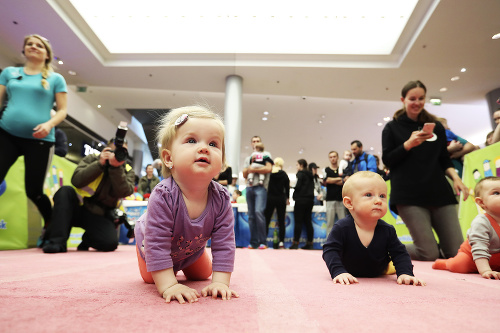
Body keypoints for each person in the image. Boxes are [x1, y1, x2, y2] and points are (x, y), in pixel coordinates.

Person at [134, 106, 238, 304]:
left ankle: (182, 265)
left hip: (191, 249)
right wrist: (169, 285)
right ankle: (165, 270)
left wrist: (221, 282)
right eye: (191, 140)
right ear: (168, 158)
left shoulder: (222, 198)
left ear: (222, 162)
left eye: (213, 143)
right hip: (151, 246)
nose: (204, 148)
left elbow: (224, 243)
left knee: (204, 275)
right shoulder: (163, 195)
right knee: (151, 279)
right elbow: (156, 243)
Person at [382, 80, 469, 261]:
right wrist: (408, 144)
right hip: (408, 196)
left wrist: (456, 178)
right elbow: (388, 160)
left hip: (439, 192)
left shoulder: (436, 126)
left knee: (457, 253)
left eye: (421, 98)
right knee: (429, 253)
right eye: (412, 98)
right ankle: (383, 248)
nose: (417, 102)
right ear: (403, 100)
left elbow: (444, 159)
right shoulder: (392, 127)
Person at [0, 34, 67, 234]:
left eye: (39, 45)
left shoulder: (55, 79)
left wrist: (48, 124)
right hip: (7, 134)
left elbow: (62, 111)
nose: (34, 47)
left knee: (34, 190)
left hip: (40, 140)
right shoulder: (9, 73)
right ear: (24, 49)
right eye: (29, 44)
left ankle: (51, 226)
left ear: (47, 54)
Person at [322, 171, 426, 286]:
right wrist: (338, 272)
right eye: (368, 195)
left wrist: (405, 273)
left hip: (380, 269)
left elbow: (400, 253)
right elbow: (330, 251)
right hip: (349, 270)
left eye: (382, 196)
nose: (378, 201)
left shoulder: (388, 230)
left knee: (393, 266)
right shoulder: (341, 228)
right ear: (349, 203)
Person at [42, 137, 135, 253]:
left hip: (100, 214)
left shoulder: (127, 170)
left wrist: (115, 168)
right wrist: (100, 164)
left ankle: (87, 239)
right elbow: (76, 180)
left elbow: (125, 191)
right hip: (78, 207)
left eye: (122, 151)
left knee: (109, 243)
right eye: (114, 150)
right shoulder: (93, 159)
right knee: (65, 191)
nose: (117, 154)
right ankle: (57, 242)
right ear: (106, 150)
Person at [432, 177, 500, 279]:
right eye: (496, 193)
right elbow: (479, 248)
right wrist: (485, 271)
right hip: (471, 255)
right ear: (481, 202)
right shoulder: (481, 222)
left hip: (495, 256)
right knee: (459, 265)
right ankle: (445, 263)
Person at [243, 136, 273, 249]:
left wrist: (253, 169)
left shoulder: (267, 155)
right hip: (249, 187)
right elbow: (244, 173)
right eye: (253, 141)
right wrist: (250, 167)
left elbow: (268, 169)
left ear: (260, 143)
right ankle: (254, 242)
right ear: (251, 144)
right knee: (251, 216)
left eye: (257, 141)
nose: (255, 143)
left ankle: (263, 242)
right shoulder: (249, 158)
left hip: (261, 187)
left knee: (259, 212)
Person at [264, 157, 290, 249]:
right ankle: (281, 242)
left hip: (270, 198)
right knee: (281, 221)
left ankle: (264, 241)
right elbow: (287, 188)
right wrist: (287, 198)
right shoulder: (284, 174)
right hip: (281, 199)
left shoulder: (270, 173)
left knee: (266, 220)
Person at [290, 159, 314, 250]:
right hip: (310, 200)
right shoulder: (311, 175)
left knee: (298, 222)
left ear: (301, 165)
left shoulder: (300, 174)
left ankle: (295, 243)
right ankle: (310, 243)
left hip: (300, 200)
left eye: (297, 165)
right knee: (308, 221)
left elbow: (298, 186)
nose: (296, 167)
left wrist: (294, 195)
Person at [323, 151, 347, 236]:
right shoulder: (326, 170)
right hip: (330, 200)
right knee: (329, 223)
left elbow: (343, 181)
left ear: (337, 157)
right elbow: (327, 180)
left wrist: (332, 180)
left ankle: (344, 243)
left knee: (343, 223)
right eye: (331, 157)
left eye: (334, 157)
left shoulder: (343, 170)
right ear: (329, 158)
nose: (333, 158)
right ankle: (329, 243)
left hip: (341, 199)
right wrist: (338, 179)